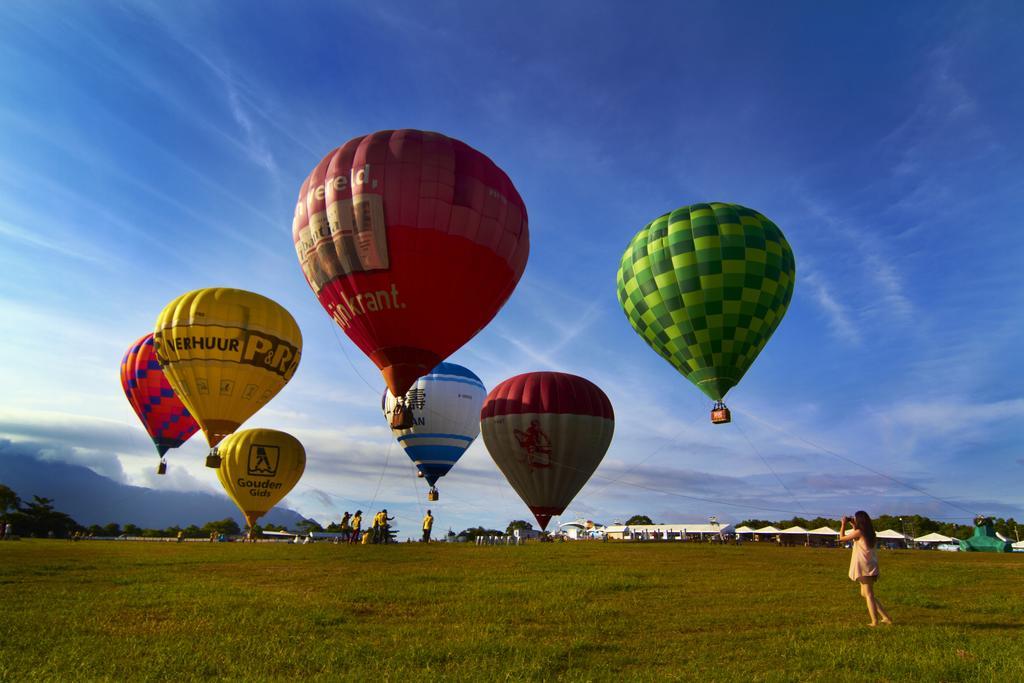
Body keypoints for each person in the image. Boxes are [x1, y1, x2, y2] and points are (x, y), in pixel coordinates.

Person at [839, 511, 893, 627]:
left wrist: (843, 524)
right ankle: (886, 617)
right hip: (870, 565)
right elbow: (858, 537)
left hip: (864, 567)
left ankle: (875, 621)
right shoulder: (870, 532)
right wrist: (853, 525)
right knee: (865, 594)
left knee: (868, 594)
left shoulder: (859, 532)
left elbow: (842, 538)